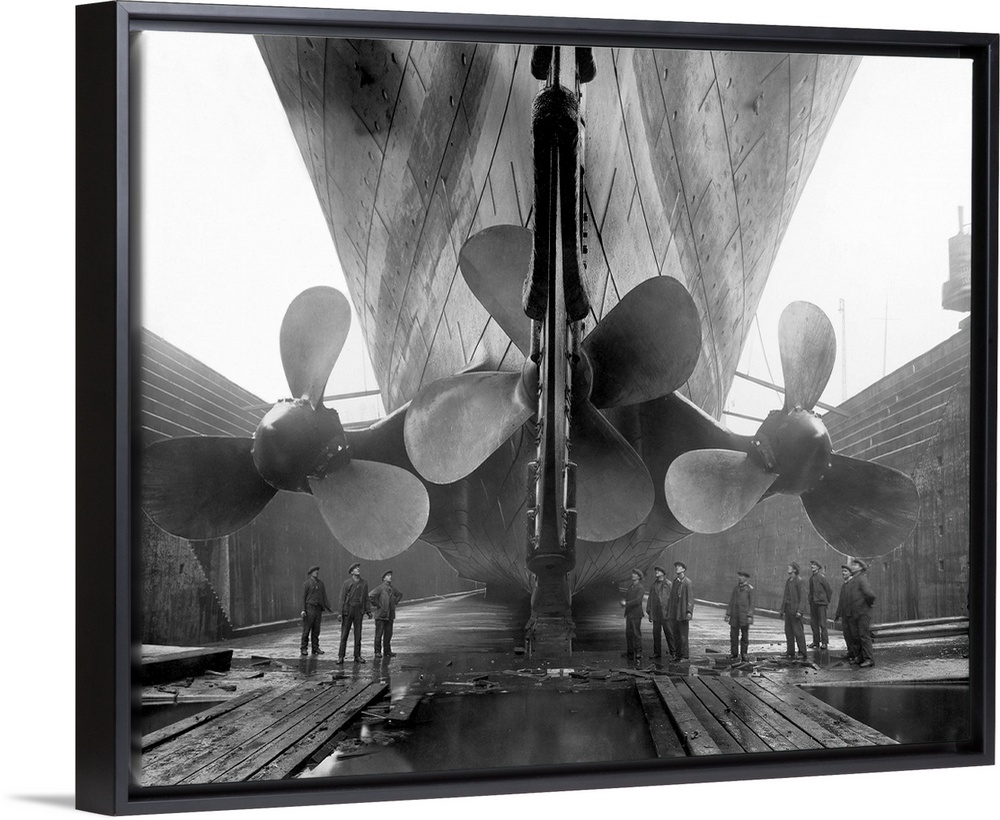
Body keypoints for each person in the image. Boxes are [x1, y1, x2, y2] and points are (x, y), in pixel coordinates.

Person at [337, 562, 371, 664]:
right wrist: (340, 612)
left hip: (358, 611)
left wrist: (368, 611)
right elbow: (342, 598)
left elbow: (366, 599)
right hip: (348, 610)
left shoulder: (364, 583)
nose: (358, 570)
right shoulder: (347, 583)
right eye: (356, 569)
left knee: (358, 634)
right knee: (344, 635)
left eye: (358, 568)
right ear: (352, 572)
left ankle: (357, 656)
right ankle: (341, 656)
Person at [846, 558, 877, 668]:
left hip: (863, 612)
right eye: (853, 564)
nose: (852, 566)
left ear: (860, 568)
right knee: (857, 636)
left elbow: (870, 595)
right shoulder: (854, 580)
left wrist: (867, 606)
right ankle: (860, 657)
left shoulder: (861, 579)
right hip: (855, 613)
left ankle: (869, 659)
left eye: (855, 565)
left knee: (864, 636)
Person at [368, 570, 403, 658]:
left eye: (390, 575)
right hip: (381, 615)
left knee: (388, 634)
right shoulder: (380, 588)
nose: (390, 577)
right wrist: (377, 604)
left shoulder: (392, 588)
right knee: (379, 635)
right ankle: (377, 652)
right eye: (388, 575)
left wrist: (395, 602)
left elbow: (399, 594)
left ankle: (387, 651)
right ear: (384, 578)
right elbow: (370, 596)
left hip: (390, 615)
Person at [300, 565, 332, 656]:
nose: (316, 572)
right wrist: (303, 610)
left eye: (317, 571)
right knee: (306, 630)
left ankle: (315, 648)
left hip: (318, 609)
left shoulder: (321, 584)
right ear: (311, 573)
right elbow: (303, 598)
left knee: (316, 630)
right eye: (314, 571)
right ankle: (303, 648)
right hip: (309, 608)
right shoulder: (307, 584)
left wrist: (328, 607)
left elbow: (324, 596)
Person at [780, 562, 808, 659]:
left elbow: (803, 597)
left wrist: (800, 611)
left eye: (790, 567)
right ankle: (790, 651)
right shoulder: (789, 581)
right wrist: (782, 609)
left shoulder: (799, 581)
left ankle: (803, 652)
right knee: (788, 631)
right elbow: (785, 596)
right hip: (788, 610)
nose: (788, 568)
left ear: (795, 570)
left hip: (795, 611)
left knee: (798, 632)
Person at [646, 565, 674, 660]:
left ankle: (673, 653)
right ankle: (657, 652)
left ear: (663, 573)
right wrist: (649, 612)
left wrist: (670, 613)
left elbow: (672, 600)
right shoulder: (653, 585)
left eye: (658, 571)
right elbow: (650, 599)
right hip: (656, 613)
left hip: (665, 613)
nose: (656, 572)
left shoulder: (669, 584)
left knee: (669, 633)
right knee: (656, 633)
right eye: (656, 571)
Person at [725, 570, 754, 662]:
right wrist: (728, 614)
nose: (740, 578)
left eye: (742, 576)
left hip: (744, 617)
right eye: (739, 576)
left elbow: (751, 604)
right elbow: (731, 602)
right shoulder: (736, 589)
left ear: (746, 578)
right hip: (734, 616)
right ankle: (734, 654)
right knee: (733, 636)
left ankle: (744, 654)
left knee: (744, 637)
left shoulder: (749, 589)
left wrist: (750, 616)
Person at [668, 561, 694, 661]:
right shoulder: (675, 582)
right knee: (676, 635)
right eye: (676, 567)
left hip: (682, 613)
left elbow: (690, 598)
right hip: (675, 614)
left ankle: (685, 656)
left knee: (683, 636)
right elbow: (672, 598)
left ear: (683, 569)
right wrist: (670, 612)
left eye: (679, 567)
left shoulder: (687, 582)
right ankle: (678, 655)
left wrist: (689, 611)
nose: (677, 568)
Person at [833, 564, 858, 663]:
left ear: (850, 573)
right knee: (847, 634)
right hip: (845, 615)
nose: (843, 573)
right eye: (842, 571)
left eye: (845, 571)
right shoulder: (844, 585)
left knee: (854, 635)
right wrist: (838, 614)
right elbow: (841, 601)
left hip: (852, 615)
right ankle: (850, 652)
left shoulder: (853, 584)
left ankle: (856, 655)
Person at [808, 560, 833, 649]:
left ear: (818, 567)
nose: (812, 566)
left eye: (814, 565)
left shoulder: (822, 578)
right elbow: (811, 592)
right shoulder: (811, 578)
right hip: (813, 604)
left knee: (822, 624)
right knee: (814, 623)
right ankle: (816, 642)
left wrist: (826, 601)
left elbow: (829, 590)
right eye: (812, 565)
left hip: (821, 604)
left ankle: (824, 643)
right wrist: (810, 601)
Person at [621, 568, 645, 663]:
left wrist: (626, 603)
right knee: (629, 633)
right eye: (633, 574)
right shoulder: (631, 586)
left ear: (639, 577)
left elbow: (638, 601)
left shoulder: (640, 588)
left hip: (636, 614)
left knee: (636, 634)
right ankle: (630, 651)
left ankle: (638, 652)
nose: (633, 575)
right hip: (630, 614)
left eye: (635, 574)